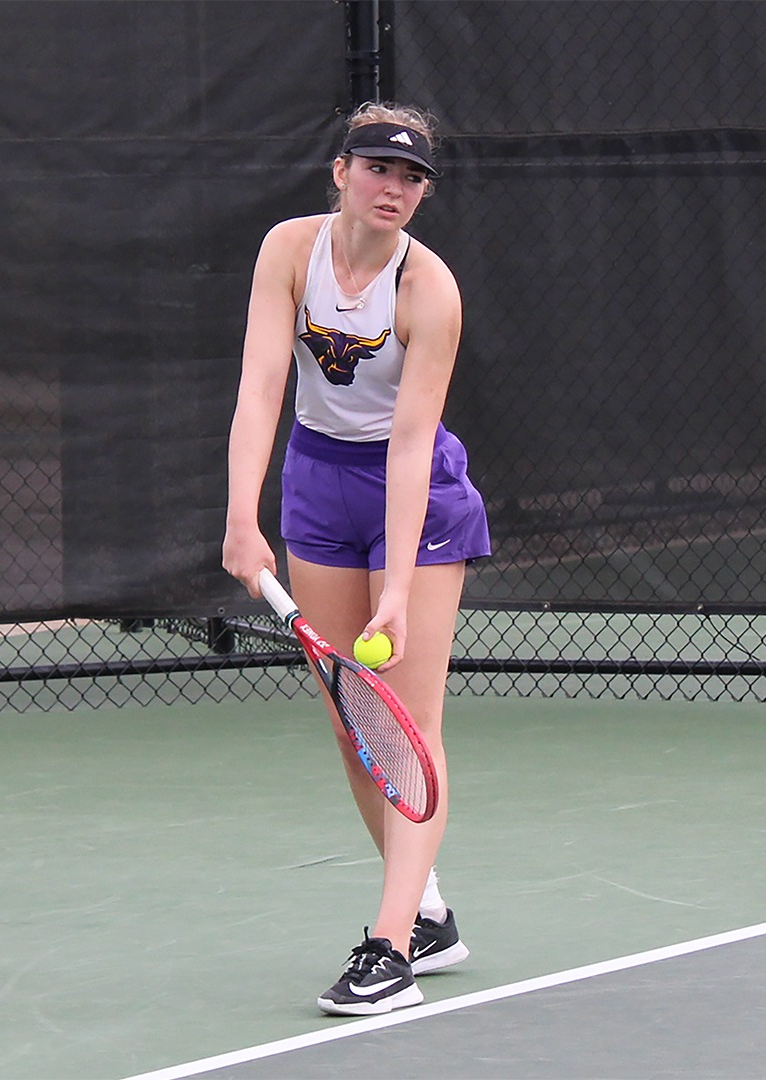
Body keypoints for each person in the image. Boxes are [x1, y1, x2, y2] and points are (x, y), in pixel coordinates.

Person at [222, 102, 491, 1016]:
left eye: (413, 177)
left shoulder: (431, 291)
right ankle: (428, 911)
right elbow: (262, 386)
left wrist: (402, 588)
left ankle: (391, 949)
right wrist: (240, 516)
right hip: (317, 482)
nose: (395, 188)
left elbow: (411, 444)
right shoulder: (288, 252)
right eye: (379, 168)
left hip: (409, 496)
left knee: (408, 726)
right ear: (340, 171)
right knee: (351, 719)